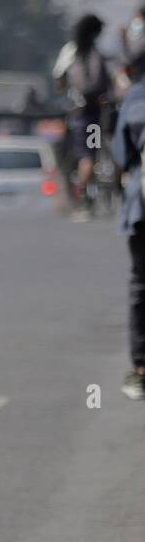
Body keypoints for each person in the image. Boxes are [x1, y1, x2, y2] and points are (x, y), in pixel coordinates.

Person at [109, 43, 145, 399]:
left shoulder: (136, 97)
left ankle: (140, 368)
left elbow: (122, 154)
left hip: (141, 208)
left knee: (140, 285)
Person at [54, 14, 112, 210]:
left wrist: (66, 92)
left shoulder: (69, 51)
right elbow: (105, 84)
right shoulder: (96, 54)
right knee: (90, 155)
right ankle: (82, 193)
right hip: (93, 115)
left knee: (75, 155)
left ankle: (78, 195)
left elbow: (59, 80)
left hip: (74, 113)